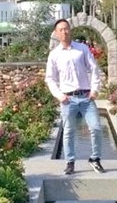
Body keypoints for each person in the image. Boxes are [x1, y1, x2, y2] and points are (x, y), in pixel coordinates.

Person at [45, 18, 105, 175]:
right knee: (68, 131)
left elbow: (94, 69)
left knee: (96, 128)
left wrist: (95, 90)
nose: (64, 32)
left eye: (66, 28)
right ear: (56, 33)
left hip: (86, 97)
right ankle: (70, 161)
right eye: (61, 30)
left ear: (70, 30)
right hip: (67, 99)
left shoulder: (82, 49)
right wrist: (59, 95)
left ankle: (95, 158)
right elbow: (50, 78)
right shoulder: (54, 55)